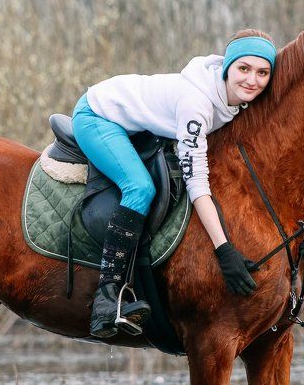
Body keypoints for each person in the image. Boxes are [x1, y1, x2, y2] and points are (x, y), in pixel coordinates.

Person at [72, 29, 277, 338]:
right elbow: (197, 184)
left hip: (136, 120)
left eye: (262, 72)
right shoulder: (197, 104)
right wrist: (224, 250)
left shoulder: (234, 100)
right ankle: (106, 299)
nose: (252, 80)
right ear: (227, 68)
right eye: (243, 69)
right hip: (98, 115)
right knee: (140, 188)